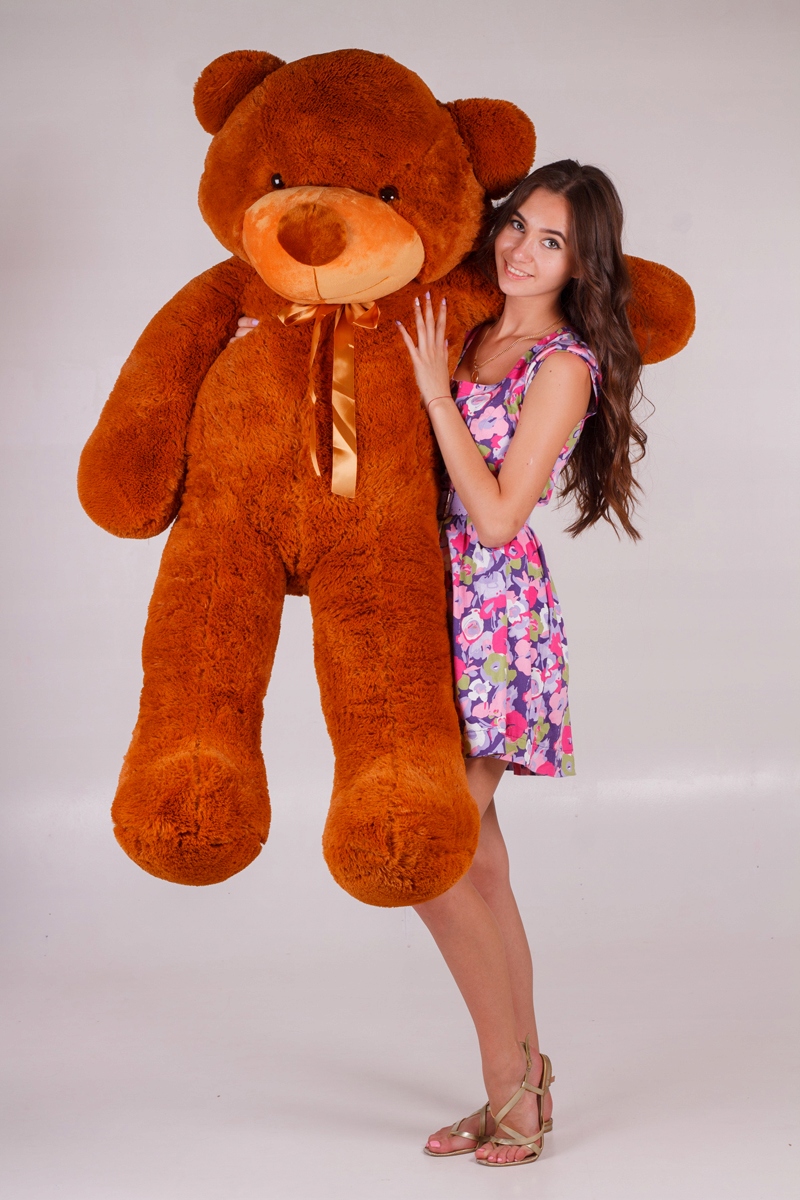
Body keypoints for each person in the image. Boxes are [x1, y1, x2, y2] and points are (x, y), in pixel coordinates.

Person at [232, 159, 645, 1166]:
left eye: (551, 241)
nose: (521, 250)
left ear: (580, 263)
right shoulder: (468, 324)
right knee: (481, 865)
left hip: (496, 628)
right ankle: (525, 1078)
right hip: (423, 612)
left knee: (428, 858)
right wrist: (268, 347)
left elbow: (497, 518)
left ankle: (512, 1090)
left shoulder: (560, 365)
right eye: (517, 226)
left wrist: (433, 394)